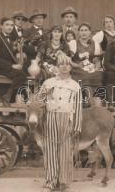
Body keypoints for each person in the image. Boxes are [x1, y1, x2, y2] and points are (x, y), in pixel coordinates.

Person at [38, 52, 82, 191]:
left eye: (67, 64)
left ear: (70, 67)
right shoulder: (48, 83)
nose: (64, 67)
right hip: (51, 118)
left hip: (67, 119)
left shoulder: (75, 86)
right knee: (50, 151)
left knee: (65, 152)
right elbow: (40, 102)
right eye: (61, 64)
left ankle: (63, 181)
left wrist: (76, 126)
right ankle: (50, 181)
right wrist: (41, 120)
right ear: (56, 67)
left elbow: (78, 108)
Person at [0, 17, 27, 106]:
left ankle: (17, 97)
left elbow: (9, 54)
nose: (10, 27)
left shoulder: (11, 39)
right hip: (0, 67)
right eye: (7, 25)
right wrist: (12, 66)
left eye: (11, 25)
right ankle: (8, 96)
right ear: (1, 26)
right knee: (21, 75)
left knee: (24, 72)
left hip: (8, 67)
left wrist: (18, 51)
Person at [68, 22, 103, 102]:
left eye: (86, 30)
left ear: (90, 32)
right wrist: (77, 65)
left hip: (90, 67)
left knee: (99, 74)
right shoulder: (73, 43)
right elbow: (69, 60)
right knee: (85, 75)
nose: (84, 32)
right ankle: (87, 99)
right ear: (78, 32)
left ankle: (95, 100)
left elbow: (97, 60)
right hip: (77, 67)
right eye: (81, 30)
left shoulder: (95, 44)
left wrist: (97, 67)